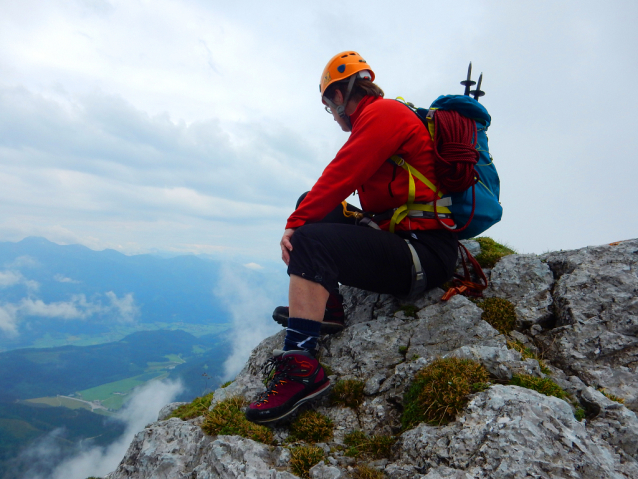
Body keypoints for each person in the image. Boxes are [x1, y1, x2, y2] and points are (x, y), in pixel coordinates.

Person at [245, 51, 459, 424]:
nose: (332, 114)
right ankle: (327, 310)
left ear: (340, 96)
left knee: (309, 237)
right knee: (310, 209)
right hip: (406, 242)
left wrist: (294, 224)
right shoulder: (381, 117)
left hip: (424, 255)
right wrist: (303, 213)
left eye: (329, 105)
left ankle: (301, 368)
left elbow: (341, 174)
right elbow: (334, 190)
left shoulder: (383, 114)